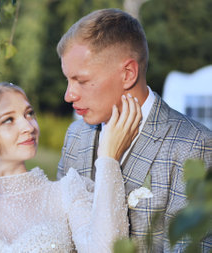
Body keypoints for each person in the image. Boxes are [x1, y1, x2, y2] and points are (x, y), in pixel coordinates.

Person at [0, 82, 142, 252]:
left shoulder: (67, 194)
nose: (28, 126)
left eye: (29, 114)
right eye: (8, 120)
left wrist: (107, 159)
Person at [56, 8, 212, 252]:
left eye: (82, 81)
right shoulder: (76, 136)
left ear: (128, 73)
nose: (69, 95)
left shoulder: (195, 145)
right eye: (68, 80)